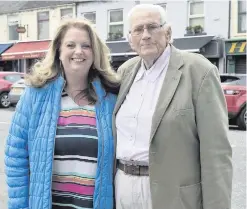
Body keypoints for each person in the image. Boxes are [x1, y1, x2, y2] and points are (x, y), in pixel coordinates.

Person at [113, 4, 232, 209]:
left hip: (173, 196)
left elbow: (216, 153)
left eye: (152, 27)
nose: (146, 35)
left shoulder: (199, 71)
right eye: (138, 30)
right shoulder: (125, 72)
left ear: (167, 32)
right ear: (130, 38)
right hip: (123, 187)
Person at [5, 19, 119, 209]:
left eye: (86, 46)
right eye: (70, 45)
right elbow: (16, 157)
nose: (78, 51)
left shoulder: (110, 98)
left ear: (94, 53)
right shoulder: (35, 95)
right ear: (58, 51)